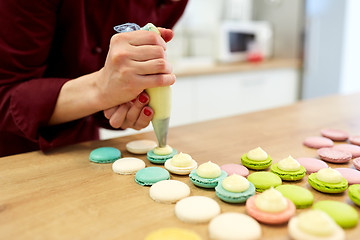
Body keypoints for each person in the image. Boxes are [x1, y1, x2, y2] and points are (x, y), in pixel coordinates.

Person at [0, 0, 188, 157]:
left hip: (84, 149)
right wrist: (100, 90)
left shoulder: (174, 2)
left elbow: (119, 76)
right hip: (14, 158)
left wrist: (123, 99)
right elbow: (5, 92)